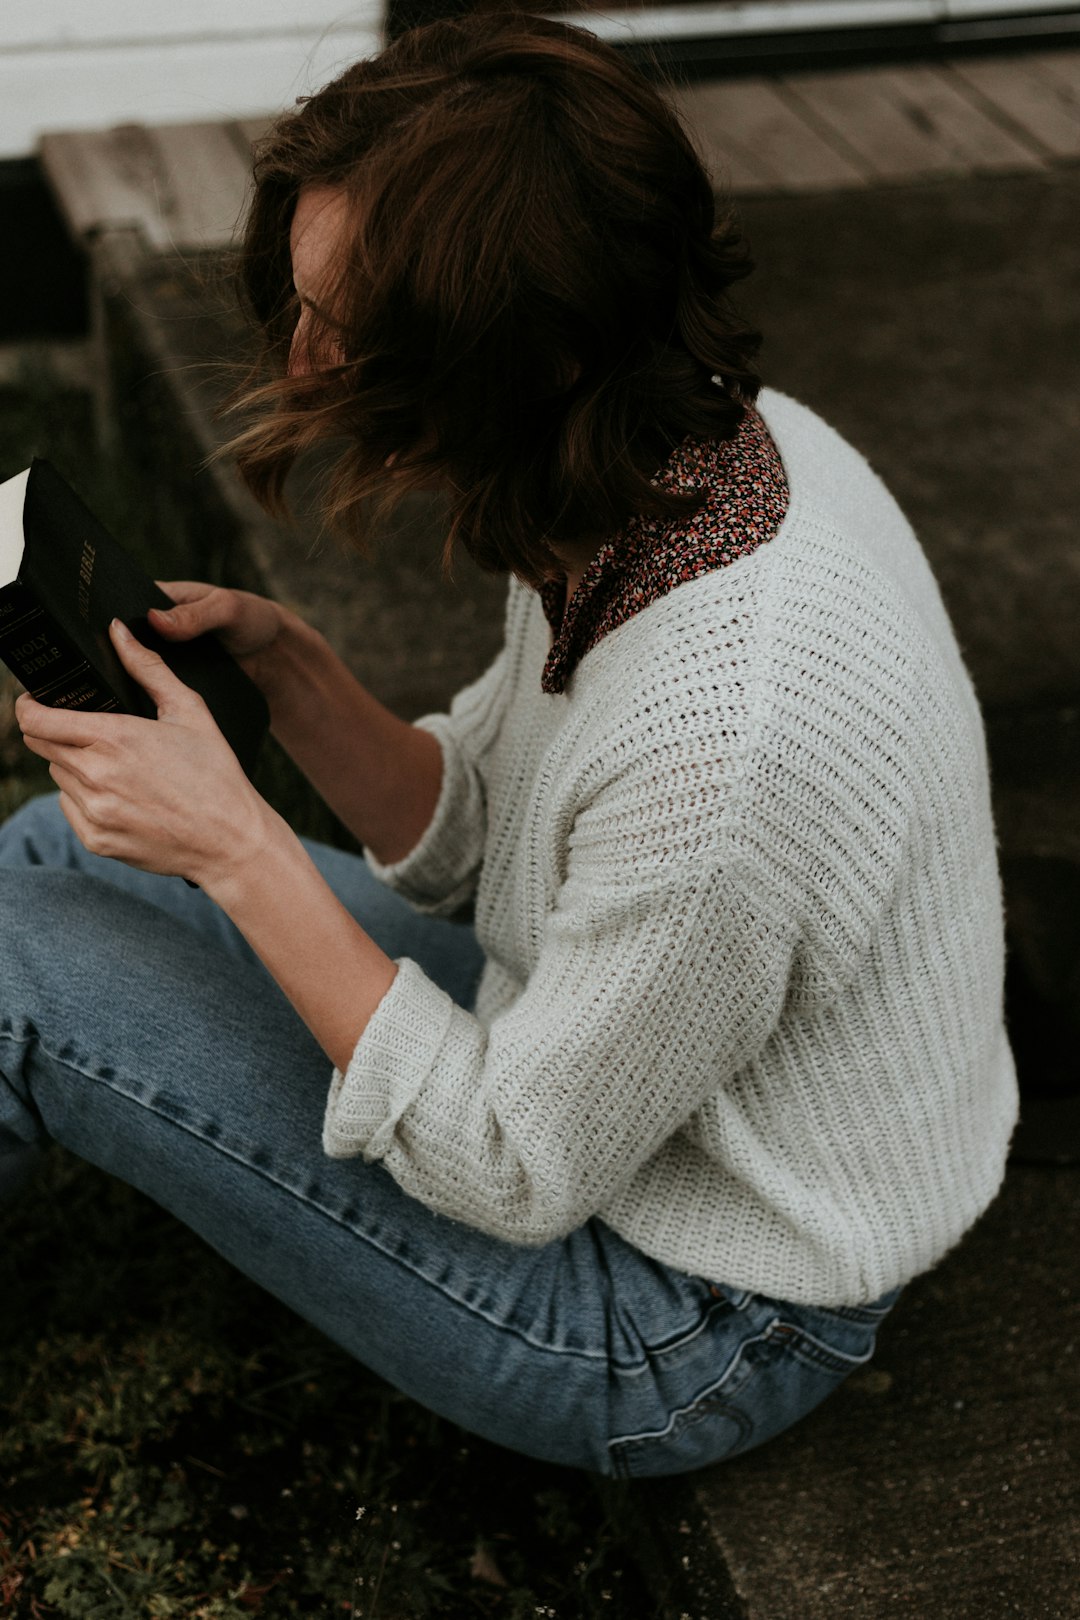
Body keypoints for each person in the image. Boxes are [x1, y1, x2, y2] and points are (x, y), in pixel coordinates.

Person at [1, 12, 1017, 1478]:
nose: (297, 364)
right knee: (49, 853)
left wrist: (234, 842)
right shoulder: (687, 463)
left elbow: (510, 1166)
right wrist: (297, 684)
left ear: (512, 359)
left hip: (688, 1316)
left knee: (17, 960)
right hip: (608, 1090)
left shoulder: (726, 738)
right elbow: (487, 831)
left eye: (341, 332)